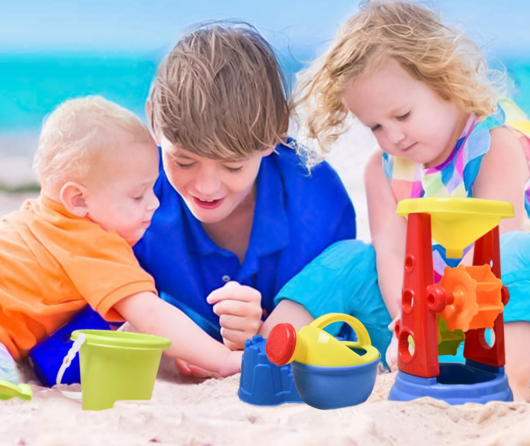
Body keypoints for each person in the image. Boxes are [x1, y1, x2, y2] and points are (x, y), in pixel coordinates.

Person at [37, 22, 364, 378]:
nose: (206, 188)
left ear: (276, 132)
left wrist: (258, 328)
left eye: (233, 165)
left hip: (280, 339)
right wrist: (176, 342)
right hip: (171, 324)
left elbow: (336, 321)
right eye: (184, 161)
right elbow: (63, 324)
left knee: (352, 260)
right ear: (153, 120)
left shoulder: (317, 203)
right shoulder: (129, 196)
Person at [0, 96, 242, 400]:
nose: (154, 204)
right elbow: (149, 314)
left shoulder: (49, 217)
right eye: (138, 194)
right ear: (78, 199)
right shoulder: (94, 243)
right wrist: (222, 358)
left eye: (152, 189)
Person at [295, 1, 530, 401]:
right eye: (375, 125)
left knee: (519, 250)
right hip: (423, 321)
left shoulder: (493, 143)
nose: (393, 136)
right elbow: (392, 254)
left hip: (505, 325)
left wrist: (447, 316)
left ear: (443, 78)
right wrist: (408, 321)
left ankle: (506, 386)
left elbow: (496, 254)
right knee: (350, 258)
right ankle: (278, 347)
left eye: (403, 114)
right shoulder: (384, 169)